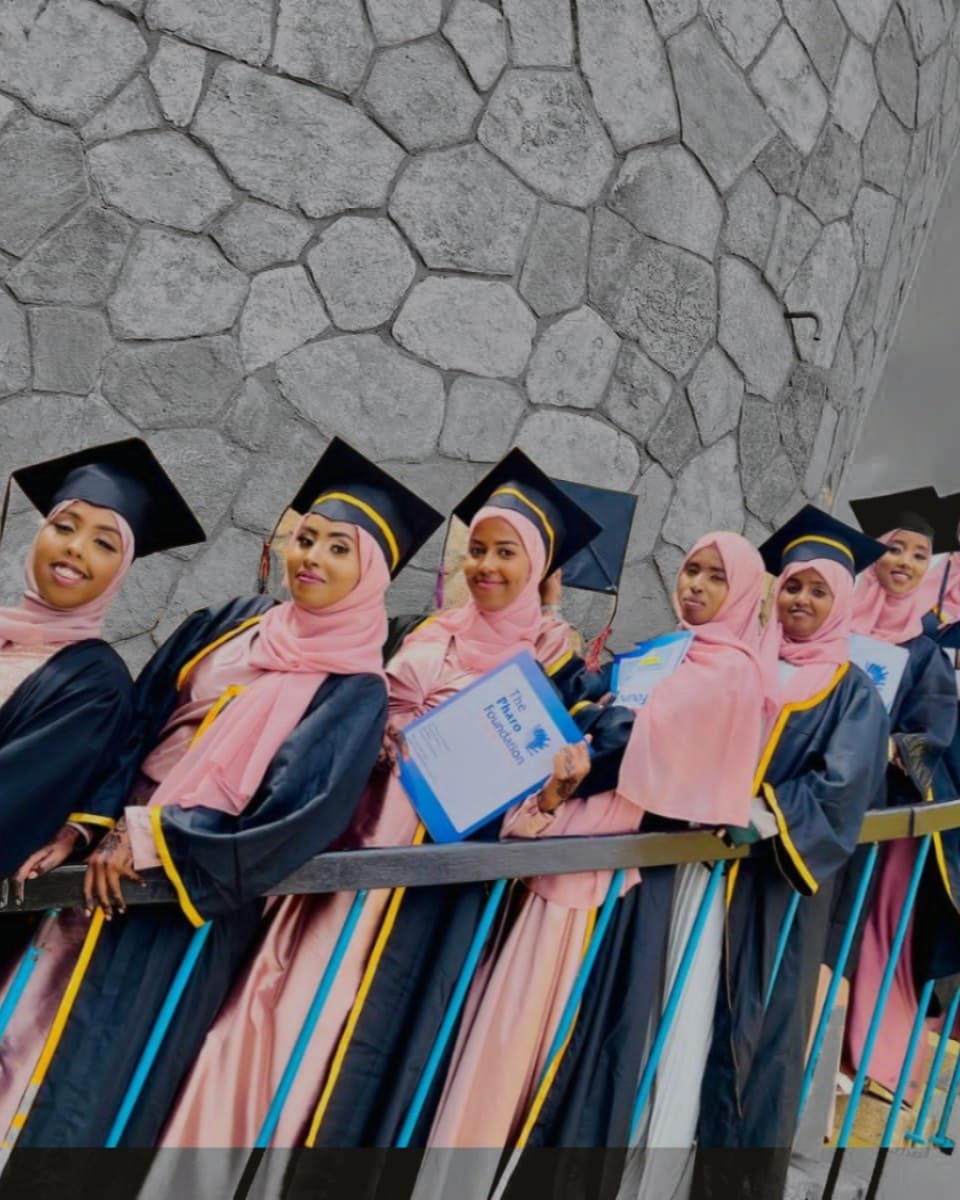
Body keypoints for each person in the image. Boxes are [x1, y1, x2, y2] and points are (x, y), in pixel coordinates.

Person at [161, 456, 629, 1155]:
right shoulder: (423, 629)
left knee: (373, 1031)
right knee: (279, 999)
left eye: (507, 553)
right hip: (354, 837)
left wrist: (557, 788)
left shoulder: (555, 666)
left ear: (537, 567)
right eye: (478, 548)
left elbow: (555, 784)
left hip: (437, 875)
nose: (487, 566)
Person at [9, 438, 442, 1149]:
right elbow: (141, 718)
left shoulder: (355, 690)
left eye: (340, 550)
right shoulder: (232, 620)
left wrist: (155, 837)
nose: (312, 558)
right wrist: (86, 827)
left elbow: (295, 812)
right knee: (21, 1026)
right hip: (102, 869)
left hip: (187, 899)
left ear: (373, 576)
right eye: (306, 538)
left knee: (99, 1080)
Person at [499, 532, 768, 1200]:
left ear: (742, 594)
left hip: (651, 871)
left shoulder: (730, 667)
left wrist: (585, 737)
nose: (696, 587)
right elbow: (604, 701)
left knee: (608, 1025)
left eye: (715, 578)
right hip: (618, 857)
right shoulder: (671, 652)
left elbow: (625, 736)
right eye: (690, 571)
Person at [693, 508, 889, 1200]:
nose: (799, 600)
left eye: (818, 591)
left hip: (777, 884)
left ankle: (733, 1186)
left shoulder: (852, 691)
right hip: (699, 872)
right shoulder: (743, 664)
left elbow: (843, 790)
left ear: (842, 603)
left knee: (759, 1035)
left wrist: (765, 813)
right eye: (792, 586)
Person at [1, 439, 203, 880]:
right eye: (65, 526)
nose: (75, 548)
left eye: (104, 544)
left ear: (121, 570)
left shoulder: (96, 685)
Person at [839, 488, 958, 1104]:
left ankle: (872, 1050)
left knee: (874, 923)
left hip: (886, 814)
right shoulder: (838, 625)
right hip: (826, 799)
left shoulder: (924, 648)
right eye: (895, 549)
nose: (905, 562)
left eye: (920, 553)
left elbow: (932, 734)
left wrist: (887, 746)